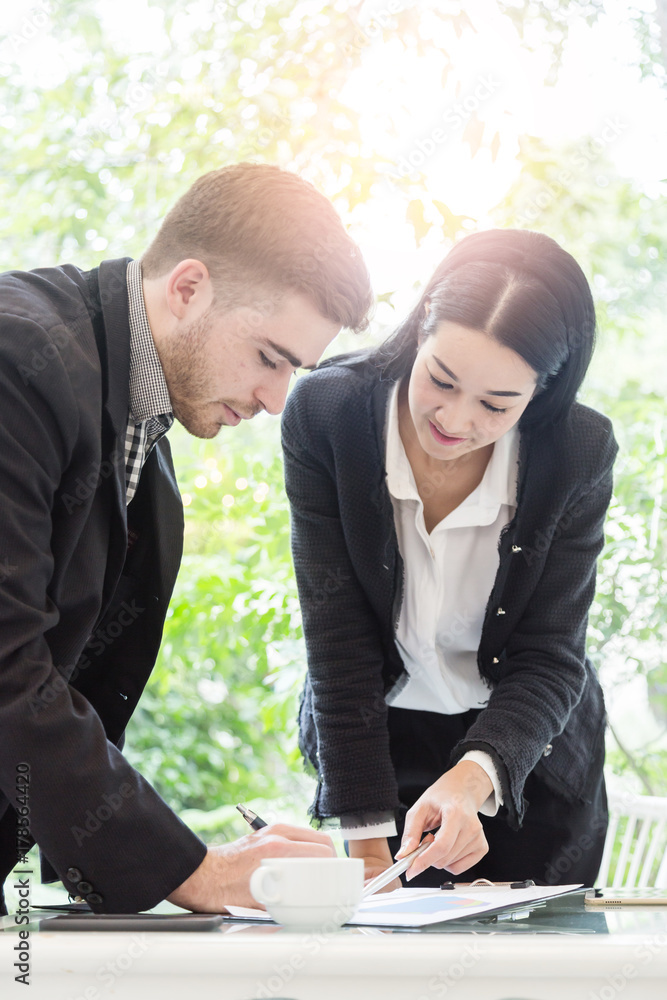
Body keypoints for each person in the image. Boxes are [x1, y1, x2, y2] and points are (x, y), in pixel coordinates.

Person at [0, 162, 373, 915]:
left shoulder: (147, 436)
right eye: (271, 358)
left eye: (296, 371)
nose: (276, 401)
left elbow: (78, 687)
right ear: (188, 287)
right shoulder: (20, 359)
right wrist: (192, 870)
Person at [282, 228, 617, 889]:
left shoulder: (576, 452)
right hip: (373, 750)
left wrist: (471, 781)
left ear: (539, 394)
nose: (456, 421)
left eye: (496, 405)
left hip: (526, 762)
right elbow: (337, 639)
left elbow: (550, 656)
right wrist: (367, 844)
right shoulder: (329, 414)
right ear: (417, 333)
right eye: (440, 379)